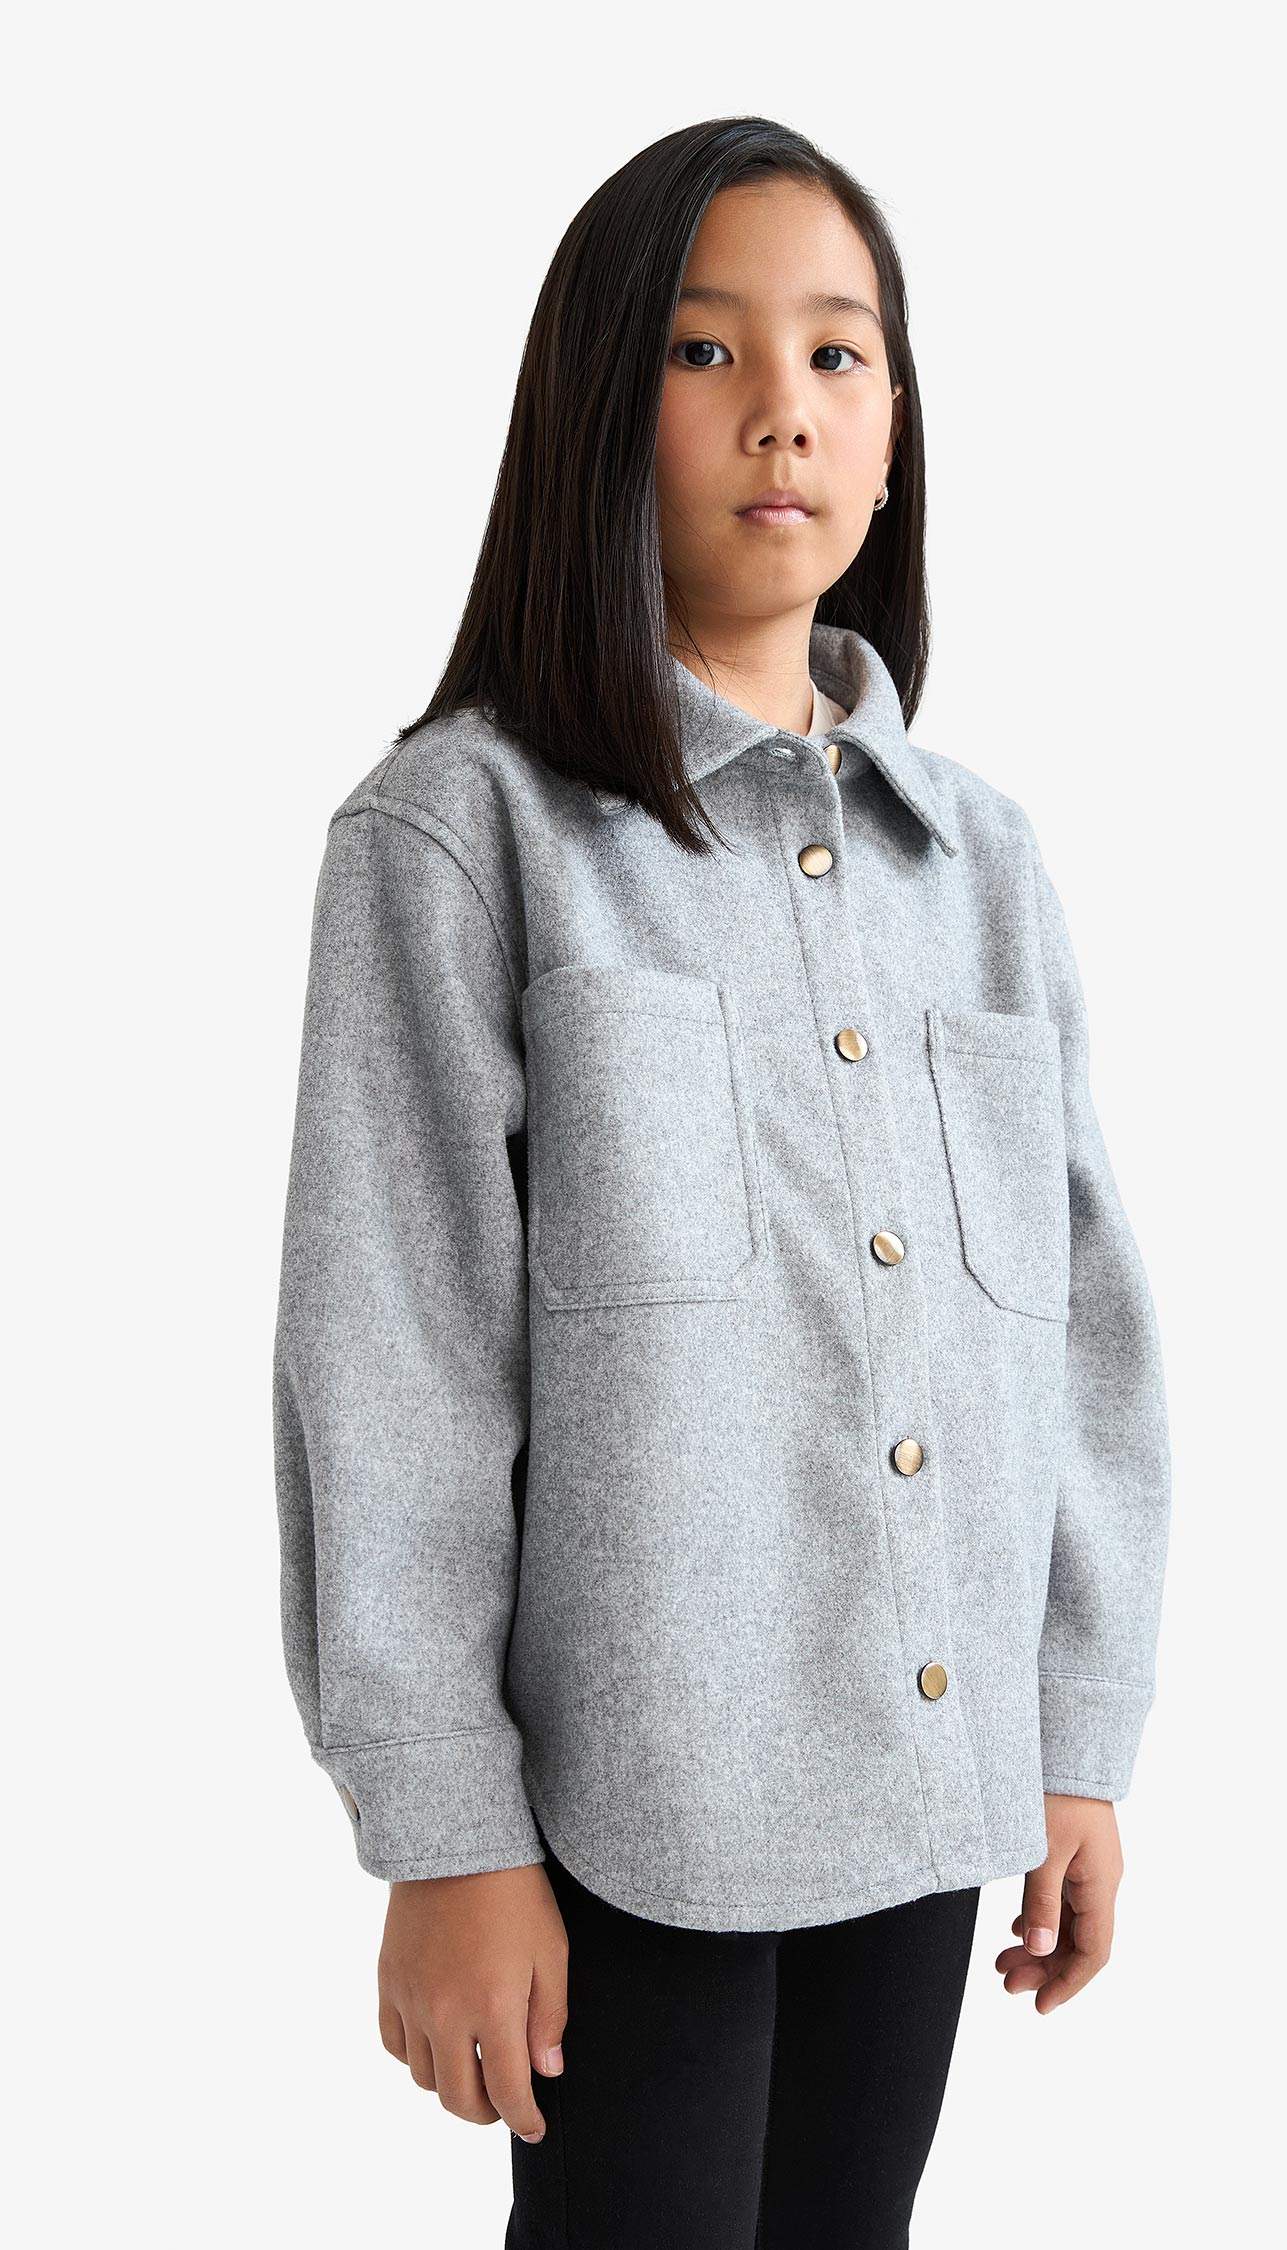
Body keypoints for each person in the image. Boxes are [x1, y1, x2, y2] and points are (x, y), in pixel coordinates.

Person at [271, 114, 1172, 2250]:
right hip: (633, 1814)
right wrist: (446, 1828)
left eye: (840, 354)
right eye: (706, 350)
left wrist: (1076, 1729)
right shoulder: (461, 837)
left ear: (897, 425)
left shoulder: (986, 866)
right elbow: (393, 1363)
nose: (786, 407)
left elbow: (1082, 1327)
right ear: (601, 403)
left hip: (928, 1788)